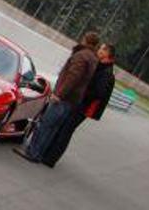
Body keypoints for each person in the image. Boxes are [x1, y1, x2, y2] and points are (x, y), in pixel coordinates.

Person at [14, 32, 100, 164]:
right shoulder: (93, 58)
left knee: (45, 124)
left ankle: (32, 152)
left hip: (64, 98)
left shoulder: (82, 56)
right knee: (52, 128)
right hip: (72, 99)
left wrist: (59, 94)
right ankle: (38, 153)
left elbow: (72, 77)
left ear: (85, 40)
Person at [40, 43, 116, 167]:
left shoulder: (106, 72)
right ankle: (48, 154)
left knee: (66, 130)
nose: (99, 50)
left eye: (102, 49)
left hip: (85, 107)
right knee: (63, 128)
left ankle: (50, 159)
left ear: (107, 53)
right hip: (81, 104)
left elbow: (98, 93)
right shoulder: (101, 66)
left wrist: (82, 92)